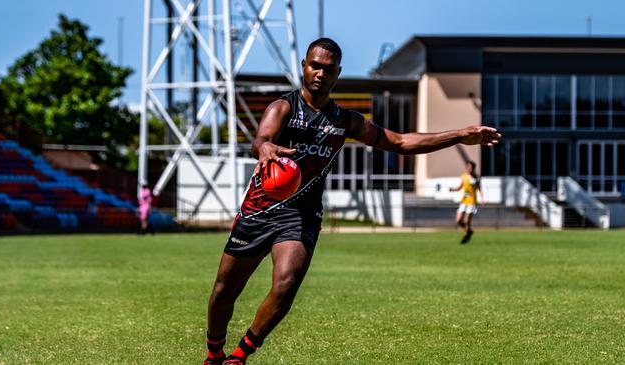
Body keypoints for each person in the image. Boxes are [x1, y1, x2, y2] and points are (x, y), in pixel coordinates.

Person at [202, 38, 501, 365]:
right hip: (259, 211)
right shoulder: (283, 108)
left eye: (328, 69)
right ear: (304, 65)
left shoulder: (344, 121)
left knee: (286, 284)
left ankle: (239, 356)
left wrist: (458, 135)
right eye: (315, 66)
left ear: (337, 74)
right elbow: (262, 137)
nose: (320, 74)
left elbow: (400, 141)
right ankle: (214, 354)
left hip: (301, 216)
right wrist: (264, 148)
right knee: (223, 292)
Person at [449, 161, 483, 244]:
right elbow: (460, 187)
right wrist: (453, 189)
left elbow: (480, 189)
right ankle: (469, 231)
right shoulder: (464, 176)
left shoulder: (476, 178)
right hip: (464, 201)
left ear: (473, 168)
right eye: (468, 167)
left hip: (472, 202)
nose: (469, 169)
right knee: (458, 220)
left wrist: (482, 199)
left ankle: (466, 234)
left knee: (467, 221)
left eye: (470, 167)